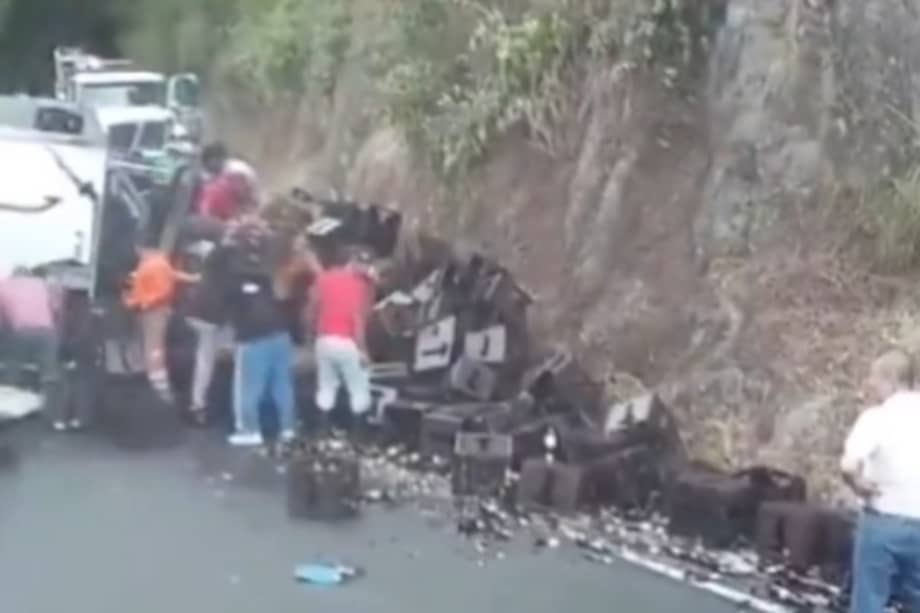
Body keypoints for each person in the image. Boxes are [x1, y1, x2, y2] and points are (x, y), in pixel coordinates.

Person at [840, 349, 920, 613]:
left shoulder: (877, 418)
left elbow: (849, 466)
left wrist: (857, 485)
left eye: (874, 377)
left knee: (869, 600)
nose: (870, 384)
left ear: (891, 379)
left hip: (883, 523)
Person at [224, 218, 297, 447]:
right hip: (280, 333)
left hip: (253, 337)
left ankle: (249, 430)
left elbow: (226, 300)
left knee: (248, 386)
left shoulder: (233, 270)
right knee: (282, 384)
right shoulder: (268, 269)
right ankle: (288, 428)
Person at [309, 248, 376, 433]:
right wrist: (363, 350)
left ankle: (321, 430)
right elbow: (359, 318)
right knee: (358, 387)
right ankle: (358, 433)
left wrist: (312, 333)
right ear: (352, 262)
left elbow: (312, 306)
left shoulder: (323, 278)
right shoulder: (357, 284)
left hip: (324, 340)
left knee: (326, 386)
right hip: (347, 341)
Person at [123, 247, 199, 404]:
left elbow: (153, 289)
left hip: (151, 310)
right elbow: (168, 283)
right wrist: (195, 278)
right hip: (157, 310)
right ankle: (161, 389)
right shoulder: (160, 264)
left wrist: (135, 302)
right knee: (155, 350)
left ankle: (159, 388)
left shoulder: (148, 265)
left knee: (152, 349)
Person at [0, 269, 63, 429]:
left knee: (12, 367)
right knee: (49, 373)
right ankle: (52, 417)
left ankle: (7, 414)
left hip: (21, 330)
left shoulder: (4, 284)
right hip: (46, 331)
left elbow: (2, 315)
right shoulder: (43, 284)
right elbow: (56, 308)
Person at [183, 240, 234, 425]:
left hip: (198, 315)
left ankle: (198, 404)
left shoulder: (210, 270)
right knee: (225, 356)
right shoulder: (231, 277)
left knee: (204, 360)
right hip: (217, 319)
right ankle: (220, 401)